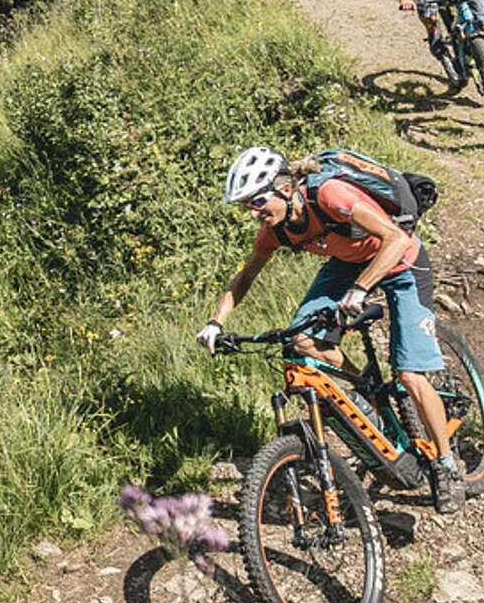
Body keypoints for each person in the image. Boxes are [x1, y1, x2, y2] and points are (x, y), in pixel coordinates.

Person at [197, 146, 464, 512]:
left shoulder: (330, 195)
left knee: (410, 374)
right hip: (347, 263)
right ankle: (367, 386)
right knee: (301, 340)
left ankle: (448, 466)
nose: (254, 212)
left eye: (258, 201)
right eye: (248, 205)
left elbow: (395, 239)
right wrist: (215, 323)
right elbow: (245, 277)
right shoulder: (277, 230)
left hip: (401, 262)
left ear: (285, 188)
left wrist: (360, 289)